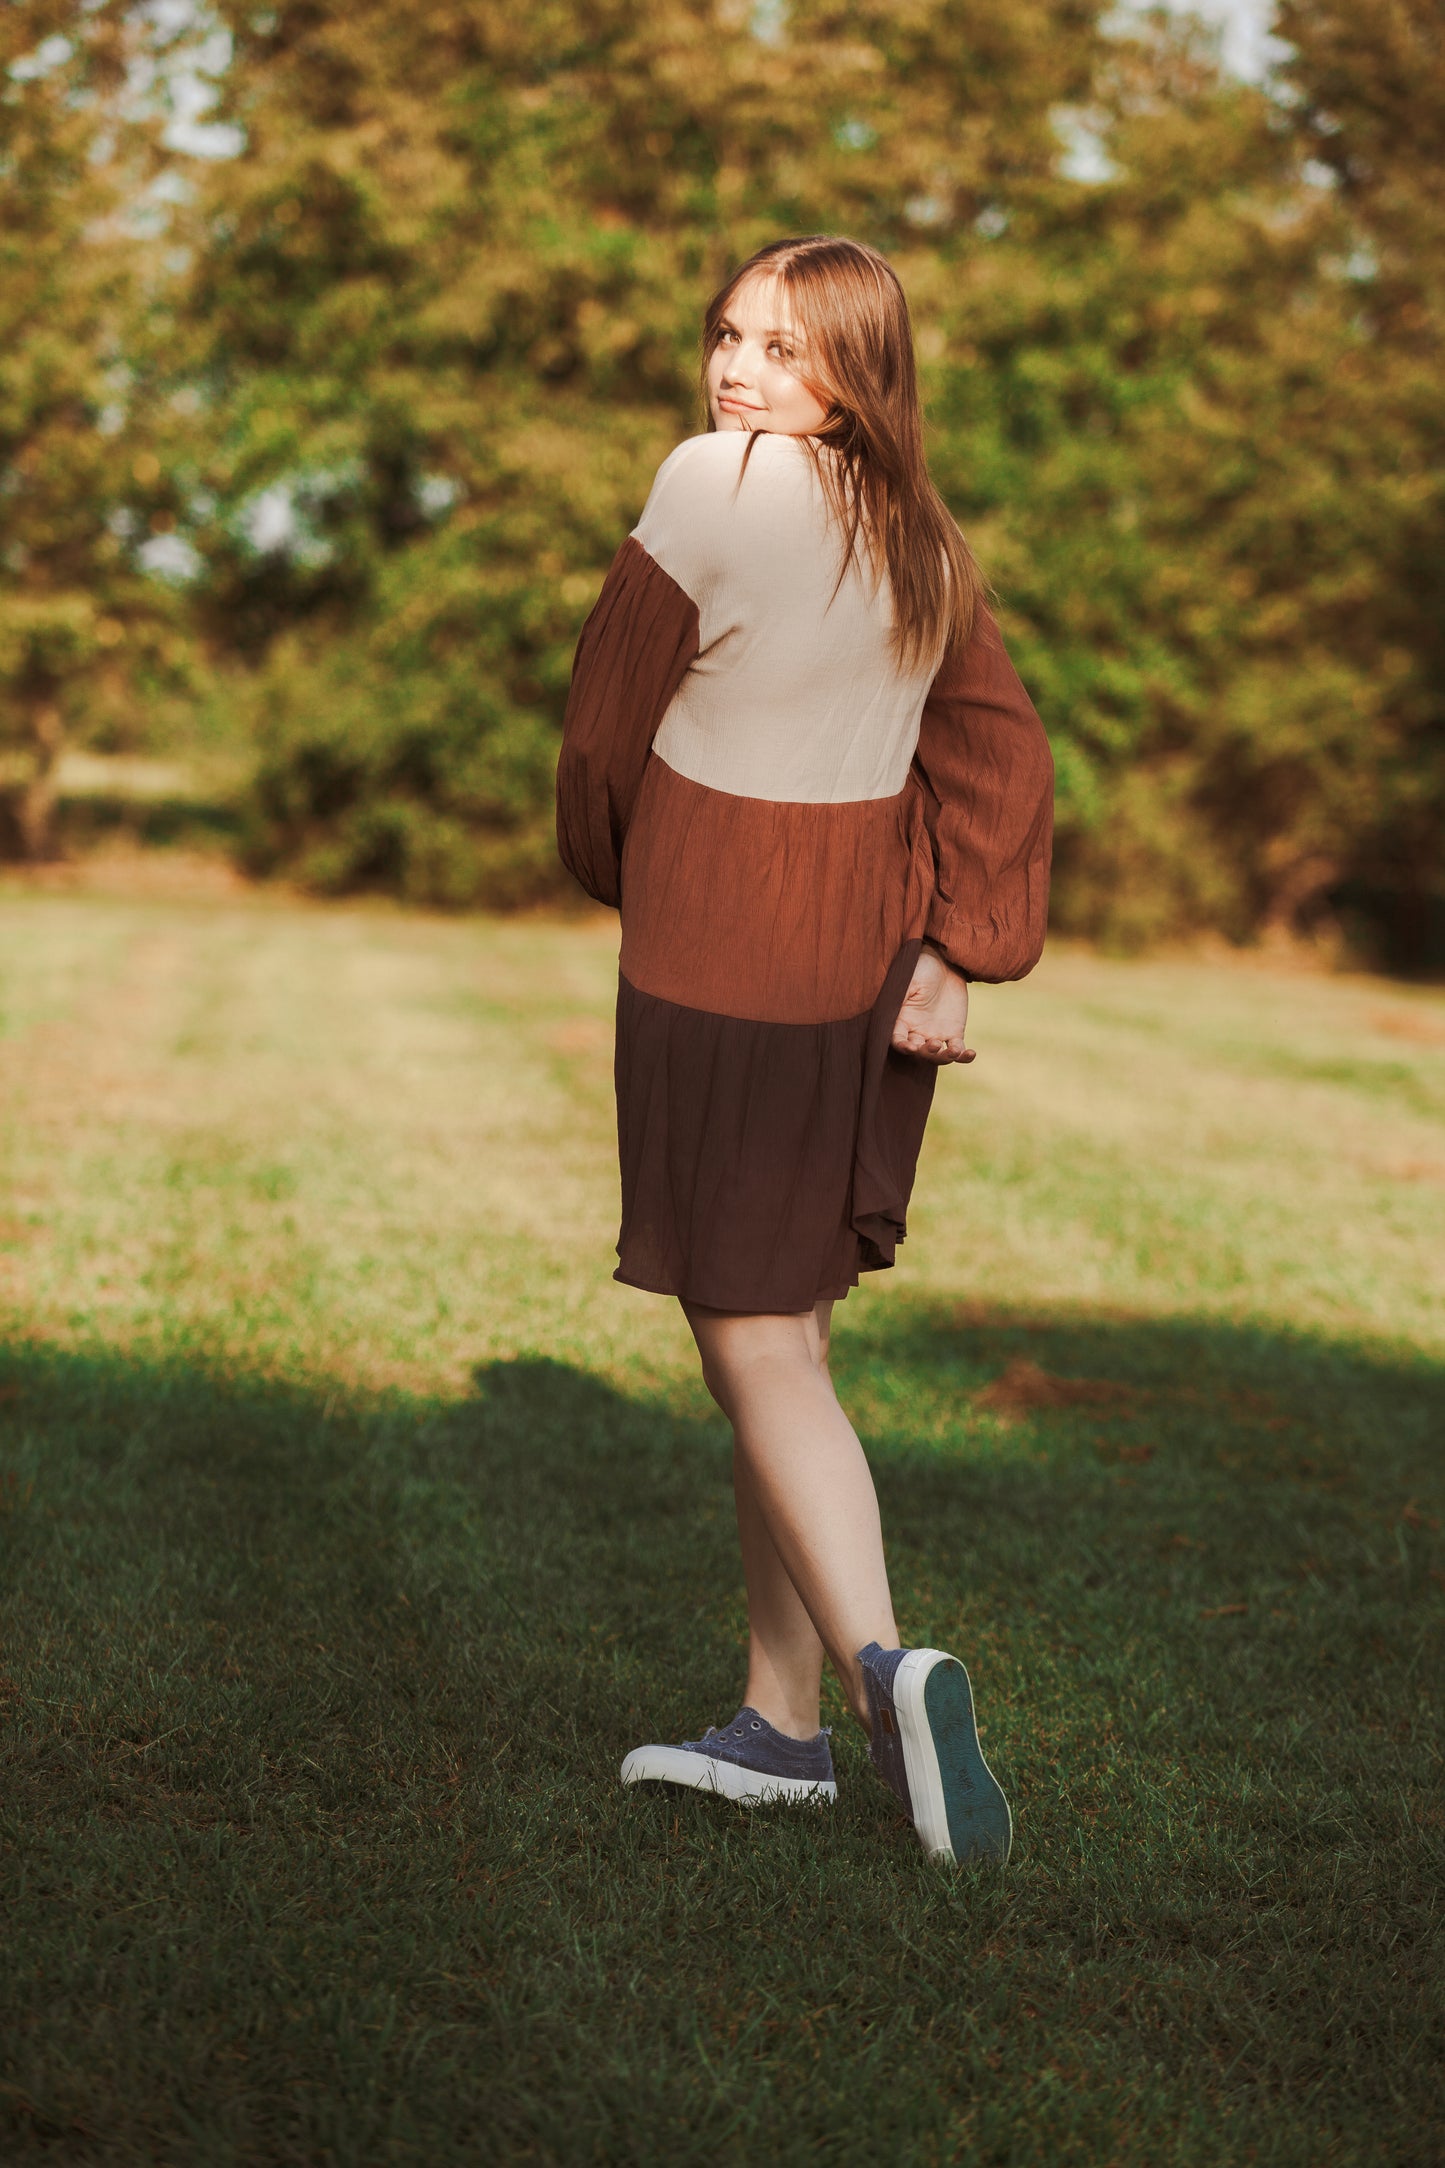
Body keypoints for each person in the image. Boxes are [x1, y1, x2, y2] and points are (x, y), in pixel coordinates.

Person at [555, 235, 1053, 1864]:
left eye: (784, 346)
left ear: (855, 373)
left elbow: (600, 723)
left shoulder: (711, 483)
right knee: (791, 1347)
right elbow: (997, 749)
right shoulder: (921, 538)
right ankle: (775, 1730)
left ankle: (880, 1673)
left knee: (751, 1343)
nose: (737, 370)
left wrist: (627, 868)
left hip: (724, 948)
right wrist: (955, 950)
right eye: (726, 336)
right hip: (861, 964)